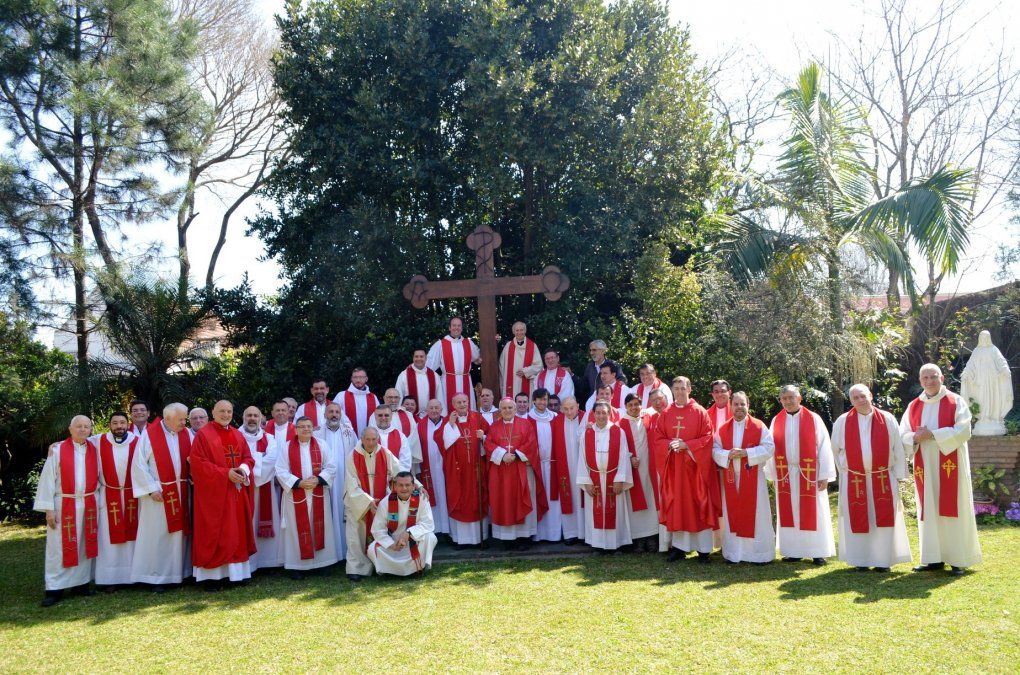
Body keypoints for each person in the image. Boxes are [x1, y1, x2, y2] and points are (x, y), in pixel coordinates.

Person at [900, 363, 982, 575]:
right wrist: (915, 437)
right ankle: (932, 558)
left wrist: (933, 434)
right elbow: (903, 434)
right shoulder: (914, 406)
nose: (929, 381)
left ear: (942, 378)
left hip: (949, 464)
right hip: (924, 466)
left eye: (933, 377)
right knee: (929, 510)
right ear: (920, 381)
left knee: (954, 507)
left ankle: (958, 558)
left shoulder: (956, 401)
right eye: (925, 378)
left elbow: (964, 430)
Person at [832, 384, 911, 572]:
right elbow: (836, 449)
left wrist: (900, 474)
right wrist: (846, 470)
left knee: (882, 518)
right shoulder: (843, 421)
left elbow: (898, 448)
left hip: (882, 477)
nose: (860, 400)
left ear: (870, 396)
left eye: (862, 396)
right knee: (859, 518)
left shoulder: (887, 418)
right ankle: (861, 559)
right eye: (855, 398)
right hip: (855, 479)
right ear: (851, 401)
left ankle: (883, 560)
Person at [765, 385, 835, 565]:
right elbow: (771, 447)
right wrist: (773, 475)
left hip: (811, 473)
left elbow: (824, 446)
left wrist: (825, 474)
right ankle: (793, 551)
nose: (788, 401)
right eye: (784, 399)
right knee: (791, 512)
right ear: (780, 401)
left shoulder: (813, 419)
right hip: (786, 472)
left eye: (791, 397)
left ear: (799, 398)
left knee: (814, 511)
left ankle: (817, 552)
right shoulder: (776, 420)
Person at [190, 400, 256, 589]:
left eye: (229, 411)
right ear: (213, 412)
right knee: (215, 532)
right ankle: (212, 577)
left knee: (236, 532)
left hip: (235, 494)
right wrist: (226, 473)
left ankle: (237, 574)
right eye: (221, 411)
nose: (225, 414)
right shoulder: (204, 435)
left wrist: (243, 469)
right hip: (213, 496)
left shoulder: (237, 434)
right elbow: (198, 463)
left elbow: (247, 458)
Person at [34, 415, 99, 606]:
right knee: (59, 548)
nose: (82, 429)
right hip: (64, 504)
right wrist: (49, 509)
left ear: (90, 429)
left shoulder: (95, 448)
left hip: (87, 504)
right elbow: (47, 479)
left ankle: (81, 584)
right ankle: (54, 588)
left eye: (86, 426)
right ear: (70, 429)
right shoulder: (59, 449)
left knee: (83, 544)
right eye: (78, 426)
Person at [651, 377, 716, 563]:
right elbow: (658, 438)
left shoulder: (700, 412)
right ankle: (679, 548)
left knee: (698, 505)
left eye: (682, 388)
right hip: (675, 471)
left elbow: (708, 438)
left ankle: (704, 550)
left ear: (689, 389)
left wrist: (687, 445)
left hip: (695, 470)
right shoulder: (666, 413)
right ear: (671, 390)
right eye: (676, 388)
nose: (679, 392)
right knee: (678, 506)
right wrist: (670, 445)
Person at [131, 403, 192, 590]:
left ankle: (181, 573)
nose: (184, 422)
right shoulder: (150, 434)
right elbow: (139, 464)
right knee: (158, 536)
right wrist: (150, 488)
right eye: (181, 419)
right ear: (167, 419)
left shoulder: (187, 434)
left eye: (185, 418)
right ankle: (156, 577)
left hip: (182, 490)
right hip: (159, 494)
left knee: (180, 535)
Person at [712, 392, 775, 564]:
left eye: (742, 404)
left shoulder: (759, 426)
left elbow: (769, 448)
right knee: (733, 514)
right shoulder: (723, 429)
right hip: (731, 479)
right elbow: (715, 450)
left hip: (754, 480)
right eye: (736, 404)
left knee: (757, 515)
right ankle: (734, 553)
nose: (739, 407)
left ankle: (758, 554)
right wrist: (728, 455)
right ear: (731, 406)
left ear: (748, 405)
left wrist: (746, 453)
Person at [276, 417, 339, 578]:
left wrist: (318, 480)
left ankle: (322, 563)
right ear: (296, 429)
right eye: (302, 427)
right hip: (296, 494)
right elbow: (281, 470)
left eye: (309, 426)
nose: (306, 429)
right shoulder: (286, 447)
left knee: (319, 526)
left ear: (313, 428)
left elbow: (331, 466)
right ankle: (296, 566)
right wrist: (299, 483)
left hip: (318, 492)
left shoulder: (322, 445)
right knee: (296, 529)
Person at [484, 397, 547, 547]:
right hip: (502, 473)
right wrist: (502, 455)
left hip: (522, 469)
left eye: (510, 408)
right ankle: (507, 539)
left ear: (515, 409)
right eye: (504, 408)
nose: (507, 411)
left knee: (523, 499)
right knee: (505, 502)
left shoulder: (525, 424)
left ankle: (524, 537)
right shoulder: (494, 426)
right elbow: (488, 444)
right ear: (500, 410)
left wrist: (516, 455)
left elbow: (531, 443)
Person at [344, 427, 400, 580]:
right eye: (367, 439)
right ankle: (357, 568)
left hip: (381, 502)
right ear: (362, 439)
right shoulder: (352, 456)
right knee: (356, 535)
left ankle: (382, 566)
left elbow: (400, 472)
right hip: (359, 503)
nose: (370, 443)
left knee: (383, 531)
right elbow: (351, 484)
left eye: (373, 439)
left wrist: (418, 486)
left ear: (378, 439)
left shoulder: (385, 453)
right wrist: (368, 502)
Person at [576, 402, 633, 551]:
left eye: (604, 413)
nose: (601, 416)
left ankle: (616, 544)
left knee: (615, 512)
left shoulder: (618, 432)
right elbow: (581, 458)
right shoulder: (586, 433)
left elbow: (623, 456)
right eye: (598, 413)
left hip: (613, 478)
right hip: (593, 479)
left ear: (609, 414)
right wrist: (586, 482)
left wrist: (620, 479)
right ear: (593, 414)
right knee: (594, 513)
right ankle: (598, 544)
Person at [92, 412, 139, 590]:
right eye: (114, 423)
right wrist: (56, 445)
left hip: (131, 495)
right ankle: (109, 579)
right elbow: (78, 441)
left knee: (132, 536)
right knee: (108, 539)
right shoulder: (98, 441)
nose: (118, 426)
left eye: (121, 422)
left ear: (127, 424)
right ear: (109, 425)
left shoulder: (137, 441)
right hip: (109, 494)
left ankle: (133, 576)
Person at [440, 393, 491, 546]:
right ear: (453, 405)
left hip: (476, 468)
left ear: (469, 402)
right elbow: (443, 443)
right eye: (458, 402)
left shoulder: (478, 417)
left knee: (478, 499)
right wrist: (450, 425)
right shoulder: (449, 420)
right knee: (459, 499)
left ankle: (480, 538)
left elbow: (490, 437)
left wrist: (483, 437)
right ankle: (461, 539)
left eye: (464, 401)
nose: (462, 405)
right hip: (458, 471)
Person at [368, 472, 438, 576]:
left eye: (407, 485)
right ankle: (390, 571)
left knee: (430, 537)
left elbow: (428, 524)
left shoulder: (422, 499)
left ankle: (418, 567)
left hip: (414, 540)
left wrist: (408, 533)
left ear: (413, 486)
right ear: (395, 486)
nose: (404, 488)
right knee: (372, 548)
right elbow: (377, 530)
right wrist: (391, 544)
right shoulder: (385, 502)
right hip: (394, 543)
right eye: (400, 485)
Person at [239, 405, 282, 571]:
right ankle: (247, 564)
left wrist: (249, 465)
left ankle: (268, 561)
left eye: (255, 416)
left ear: (260, 418)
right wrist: (259, 458)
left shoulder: (269, 438)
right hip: (241, 487)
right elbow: (235, 460)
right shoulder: (236, 436)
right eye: (249, 415)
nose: (252, 418)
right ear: (243, 417)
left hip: (265, 488)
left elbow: (272, 460)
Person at [315, 401, 357, 563]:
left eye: (336, 412)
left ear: (341, 414)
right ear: (325, 414)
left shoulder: (349, 432)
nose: (334, 415)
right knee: (326, 513)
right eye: (330, 412)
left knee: (343, 512)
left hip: (345, 478)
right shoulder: (317, 433)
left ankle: (345, 551)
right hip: (324, 480)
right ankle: (329, 554)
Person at [621, 394, 658, 550]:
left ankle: (652, 538)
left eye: (637, 404)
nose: (634, 407)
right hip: (633, 470)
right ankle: (638, 540)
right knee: (634, 504)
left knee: (650, 502)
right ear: (625, 406)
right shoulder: (621, 424)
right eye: (630, 405)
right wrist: (629, 459)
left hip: (649, 468)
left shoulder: (648, 419)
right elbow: (619, 447)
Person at [427, 316, 482, 410]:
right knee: (449, 409)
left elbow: (478, 358)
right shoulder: (440, 344)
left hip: (466, 381)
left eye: (459, 325)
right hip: (447, 382)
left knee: (467, 410)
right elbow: (429, 366)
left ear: (462, 327)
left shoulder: (468, 343)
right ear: (449, 327)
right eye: (454, 325)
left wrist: (493, 341)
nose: (456, 328)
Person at [529, 388, 563, 542]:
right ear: (534, 401)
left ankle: (554, 534)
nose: (542, 402)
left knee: (554, 499)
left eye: (545, 399)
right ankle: (539, 534)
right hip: (537, 465)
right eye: (539, 399)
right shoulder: (528, 418)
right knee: (538, 497)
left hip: (552, 464)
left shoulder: (555, 417)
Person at [551, 396, 585, 543]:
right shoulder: (557, 422)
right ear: (561, 409)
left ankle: (585, 533)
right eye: (565, 409)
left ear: (578, 406)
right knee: (568, 496)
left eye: (572, 408)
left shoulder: (586, 418)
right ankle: (571, 533)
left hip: (583, 466)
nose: (569, 411)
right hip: (564, 466)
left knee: (583, 498)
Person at [415, 399, 449, 536]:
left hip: (446, 467)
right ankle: (435, 530)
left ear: (441, 409)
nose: (434, 410)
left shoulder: (448, 423)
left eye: (437, 408)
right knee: (432, 498)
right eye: (431, 408)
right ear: (426, 410)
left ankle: (448, 530)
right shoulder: (419, 425)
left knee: (446, 497)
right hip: (428, 468)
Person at [499, 320, 543, 399]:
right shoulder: (508, 346)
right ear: (513, 332)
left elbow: (539, 366)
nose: (519, 332)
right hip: (511, 383)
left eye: (521, 330)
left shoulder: (532, 346)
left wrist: (526, 371)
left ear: (525, 331)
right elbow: (501, 366)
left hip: (527, 381)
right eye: (517, 330)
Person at [395, 348, 445, 415]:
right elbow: (398, 395)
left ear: (426, 358)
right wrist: (398, 414)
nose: (419, 359)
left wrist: (442, 414)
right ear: (413, 358)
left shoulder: (434, 375)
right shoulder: (404, 375)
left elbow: (439, 397)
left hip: (430, 416)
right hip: (409, 416)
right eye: (416, 356)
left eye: (421, 356)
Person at [335, 368, 379, 437]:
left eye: (361, 377)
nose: (358, 380)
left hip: (369, 439)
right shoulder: (341, 396)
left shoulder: (373, 397)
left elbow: (378, 418)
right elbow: (333, 416)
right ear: (351, 379)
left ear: (366, 379)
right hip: (347, 437)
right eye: (355, 377)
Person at [368, 405, 412, 472]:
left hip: (395, 479)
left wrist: (394, 476)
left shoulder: (400, 436)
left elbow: (405, 462)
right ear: (375, 417)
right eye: (380, 415)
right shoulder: (367, 436)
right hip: (373, 478)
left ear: (391, 417)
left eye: (386, 415)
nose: (383, 418)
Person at [383, 388, 421, 461]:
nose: (393, 400)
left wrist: (404, 450)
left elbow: (414, 435)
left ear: (399, 399)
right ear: (384, 398)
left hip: (405, 456)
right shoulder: (377, 414)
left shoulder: (408, 415)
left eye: (396, 397)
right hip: (385, 456)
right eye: (390, 397)